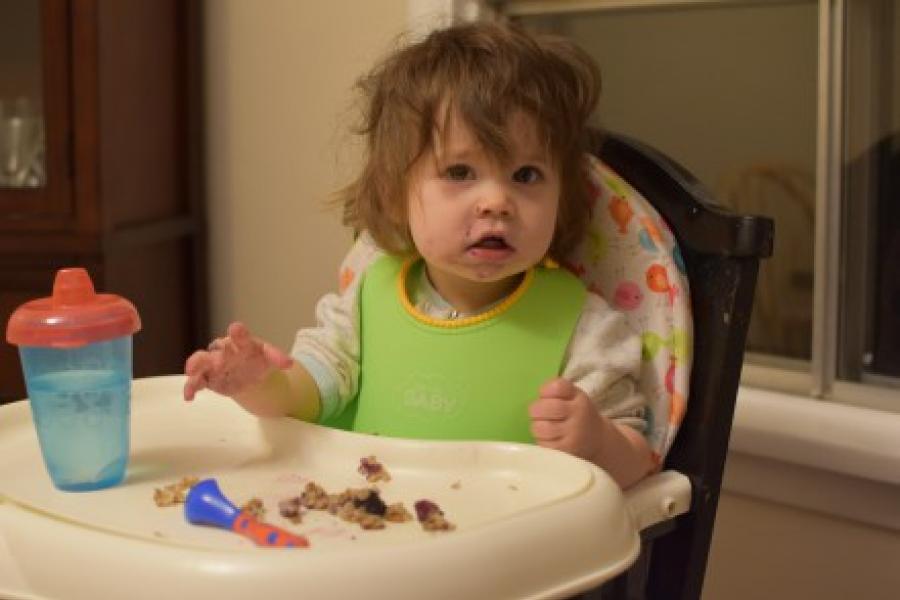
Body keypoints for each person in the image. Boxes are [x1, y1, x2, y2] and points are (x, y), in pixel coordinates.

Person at [183, 22, 654, 489]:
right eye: (460, 171)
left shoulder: (585, 327)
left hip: (506, 554)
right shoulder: (368, 298)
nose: (496, 201)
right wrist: (256, 384)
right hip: (369, 529)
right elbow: (305, 398)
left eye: (527, 175)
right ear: (394, 195)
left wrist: (597, 442)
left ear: (564, 197)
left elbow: (642, 463)